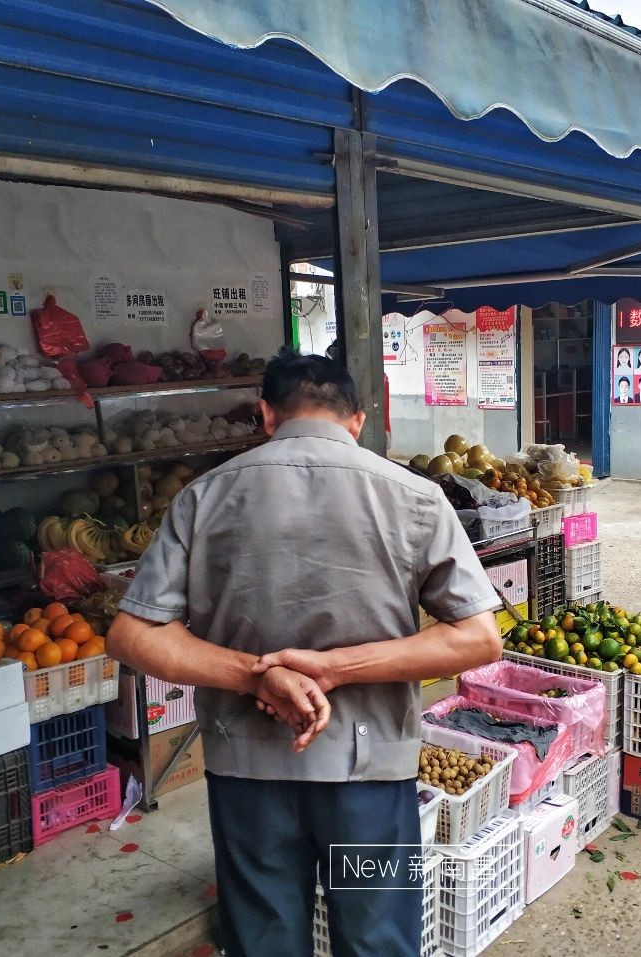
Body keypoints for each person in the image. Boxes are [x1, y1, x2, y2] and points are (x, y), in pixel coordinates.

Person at [107, 351, 502, 957]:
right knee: (376, 938)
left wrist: (255, 677)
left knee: (265, 938)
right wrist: (337, 669)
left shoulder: (203, 497)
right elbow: (479, 637)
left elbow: (132, 635)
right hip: (370, 781)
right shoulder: (415, 496)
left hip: (248, 777)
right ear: (358, 421)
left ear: (266, 415)